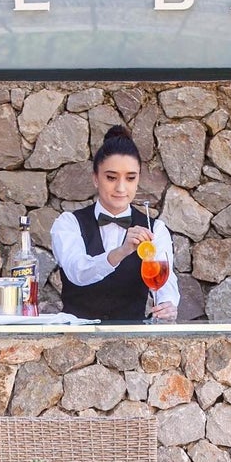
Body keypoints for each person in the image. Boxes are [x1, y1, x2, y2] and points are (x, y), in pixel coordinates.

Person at [50, 125, 179, 322]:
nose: (121, 187)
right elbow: (77, 272)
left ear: (138, 180)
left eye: (130, 178)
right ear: (95, 178)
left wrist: (168, 306)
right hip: (74, 341)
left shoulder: (156, 229)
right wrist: (122, 251)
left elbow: (164, 283)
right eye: (111, 177)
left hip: (132, 340)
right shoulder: (69, 224)